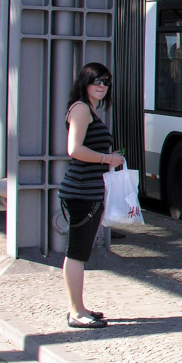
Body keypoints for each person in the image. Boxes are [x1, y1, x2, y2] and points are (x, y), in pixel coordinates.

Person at [59, 62, 124, 330]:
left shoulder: (90, 109)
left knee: (80, 251)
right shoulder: (81, 109)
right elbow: (74, 149)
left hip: (88, 189)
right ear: (84, 81)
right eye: (97, 80)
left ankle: (80, 307)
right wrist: (107, 157)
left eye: (106, 82)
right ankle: (75, 312)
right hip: (81, 190)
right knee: (76, 252)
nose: (102, 86)